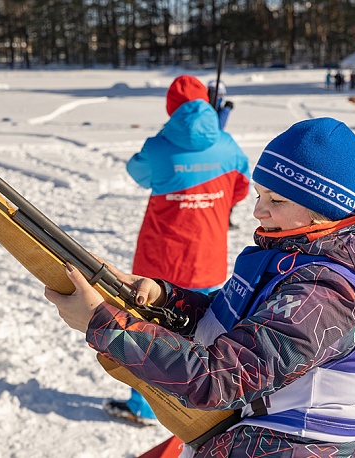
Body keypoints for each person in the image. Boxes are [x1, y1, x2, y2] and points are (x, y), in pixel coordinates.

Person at [46, 117, 355, 457]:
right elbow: (239, 326)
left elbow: (220, 378)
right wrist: (163, 297)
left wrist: (101, 323)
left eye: (276, 201)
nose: (258, 212)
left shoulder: (325, 295)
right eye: (259, 196)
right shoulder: (295, 259)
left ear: (322, 209)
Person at [102, 75, 250, 426]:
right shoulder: (228, 146)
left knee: (145, 331)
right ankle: (202, 406)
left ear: (171, 106)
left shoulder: (159, 145)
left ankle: (144, 405)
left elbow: (137, 173)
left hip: (159, 262)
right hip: (208, 258)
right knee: (206, 334)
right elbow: (241, 189)